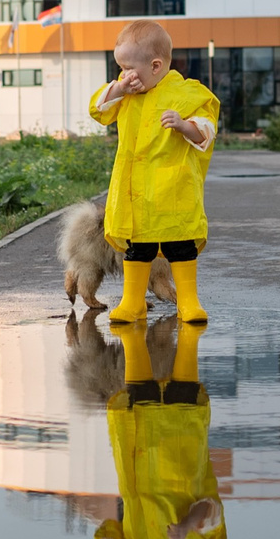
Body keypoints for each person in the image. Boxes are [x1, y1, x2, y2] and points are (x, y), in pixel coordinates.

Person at [80, 318, 226, 539]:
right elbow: (212, 511)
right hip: (180, 433)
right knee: (183, 371)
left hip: (138, 436)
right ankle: (187, 324)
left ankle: (134, 324)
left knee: (138, 375)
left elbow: (103, 534)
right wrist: (188, 523)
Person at [89, 20, 222, 325]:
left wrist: (183, 124)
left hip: (173, 191)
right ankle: (133, 303)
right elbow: (97, 110)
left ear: (156, 65)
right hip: (136, 194)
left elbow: (207, 131)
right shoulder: (127, 95)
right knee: (138, 247)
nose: (124, 74)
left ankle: (188, 303)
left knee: (180, 245)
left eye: (128, 68)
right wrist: (120, 87)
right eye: (120, 68)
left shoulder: (187, 93)